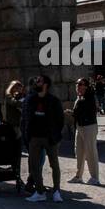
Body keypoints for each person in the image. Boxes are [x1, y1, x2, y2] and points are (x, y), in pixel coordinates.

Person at [23, 74, 65, 202]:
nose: (36, 82)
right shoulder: (30, 100)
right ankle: (40, 191)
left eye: (39, 81)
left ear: (45, 84)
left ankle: (57, 191)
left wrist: (56, 135)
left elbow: (60, 120)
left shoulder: (54, 100)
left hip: (50, 137)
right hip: (34, 137)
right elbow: (25, 118)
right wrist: (27, 135)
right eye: (35, 80)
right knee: (34, 165)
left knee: (54, 164)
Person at [69, 78, 100, 185]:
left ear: (86, 86)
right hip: (80, 126)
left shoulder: (90, 96)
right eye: (77, 84)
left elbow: (84, 109)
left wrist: (72, 113)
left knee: (91, 152)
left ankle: (95, 177)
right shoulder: (80, 97)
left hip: (89, 126)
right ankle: (78, 176)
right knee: (79, 151)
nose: (78, 86)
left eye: (80, 84)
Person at [4, 80, 25, 147]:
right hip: (13, 122)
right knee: (15, 140)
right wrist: (25, 103)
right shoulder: (9, 96)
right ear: (13, 88)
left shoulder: (17, 96)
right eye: (18, 88)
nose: (19, 90)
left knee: (18, 140)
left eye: (20, 88)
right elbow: (15, 103)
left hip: (19, 122)